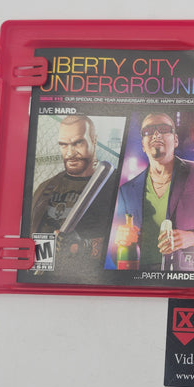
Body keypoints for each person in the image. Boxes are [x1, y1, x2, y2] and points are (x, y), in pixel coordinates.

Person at [113, 113, 194, 271]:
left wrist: (193, 238)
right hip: (142, 277)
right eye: (148, 131)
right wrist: (120, 241)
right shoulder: (126, 191)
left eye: (163, 129)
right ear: (143, 145)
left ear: (175, 140)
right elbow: (115, 257)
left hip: (185, 275)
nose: (156, 134)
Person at [29, 114, 116, 277]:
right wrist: (40, 265)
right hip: (44, 280)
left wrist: (82, 246)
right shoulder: (46, 188)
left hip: (89, 281)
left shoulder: (115, 185)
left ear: (94, 140)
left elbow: (129, 242)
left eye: (78, 143)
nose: (70, 152)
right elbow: (35, 236)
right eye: (63, 145)